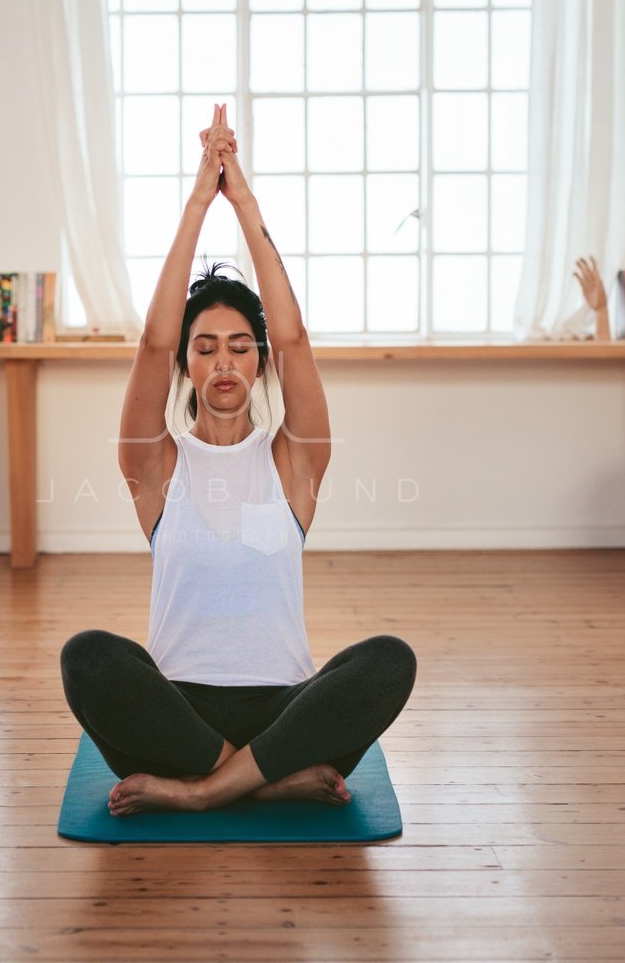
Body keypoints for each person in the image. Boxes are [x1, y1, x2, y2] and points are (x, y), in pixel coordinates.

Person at [59, 104, 417, 817]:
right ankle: (264, 782)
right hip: (177, 718)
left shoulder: (294, 464)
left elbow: (297, 339)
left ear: (258, 364)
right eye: (205, 346)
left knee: (388, 660)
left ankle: (206, 792)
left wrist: (242, 197)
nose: (223, 360)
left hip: (286, 715)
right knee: (87, 656)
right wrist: (199, 199)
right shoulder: (155, 467)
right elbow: (150, 346)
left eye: (239, 346)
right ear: (187, 367)